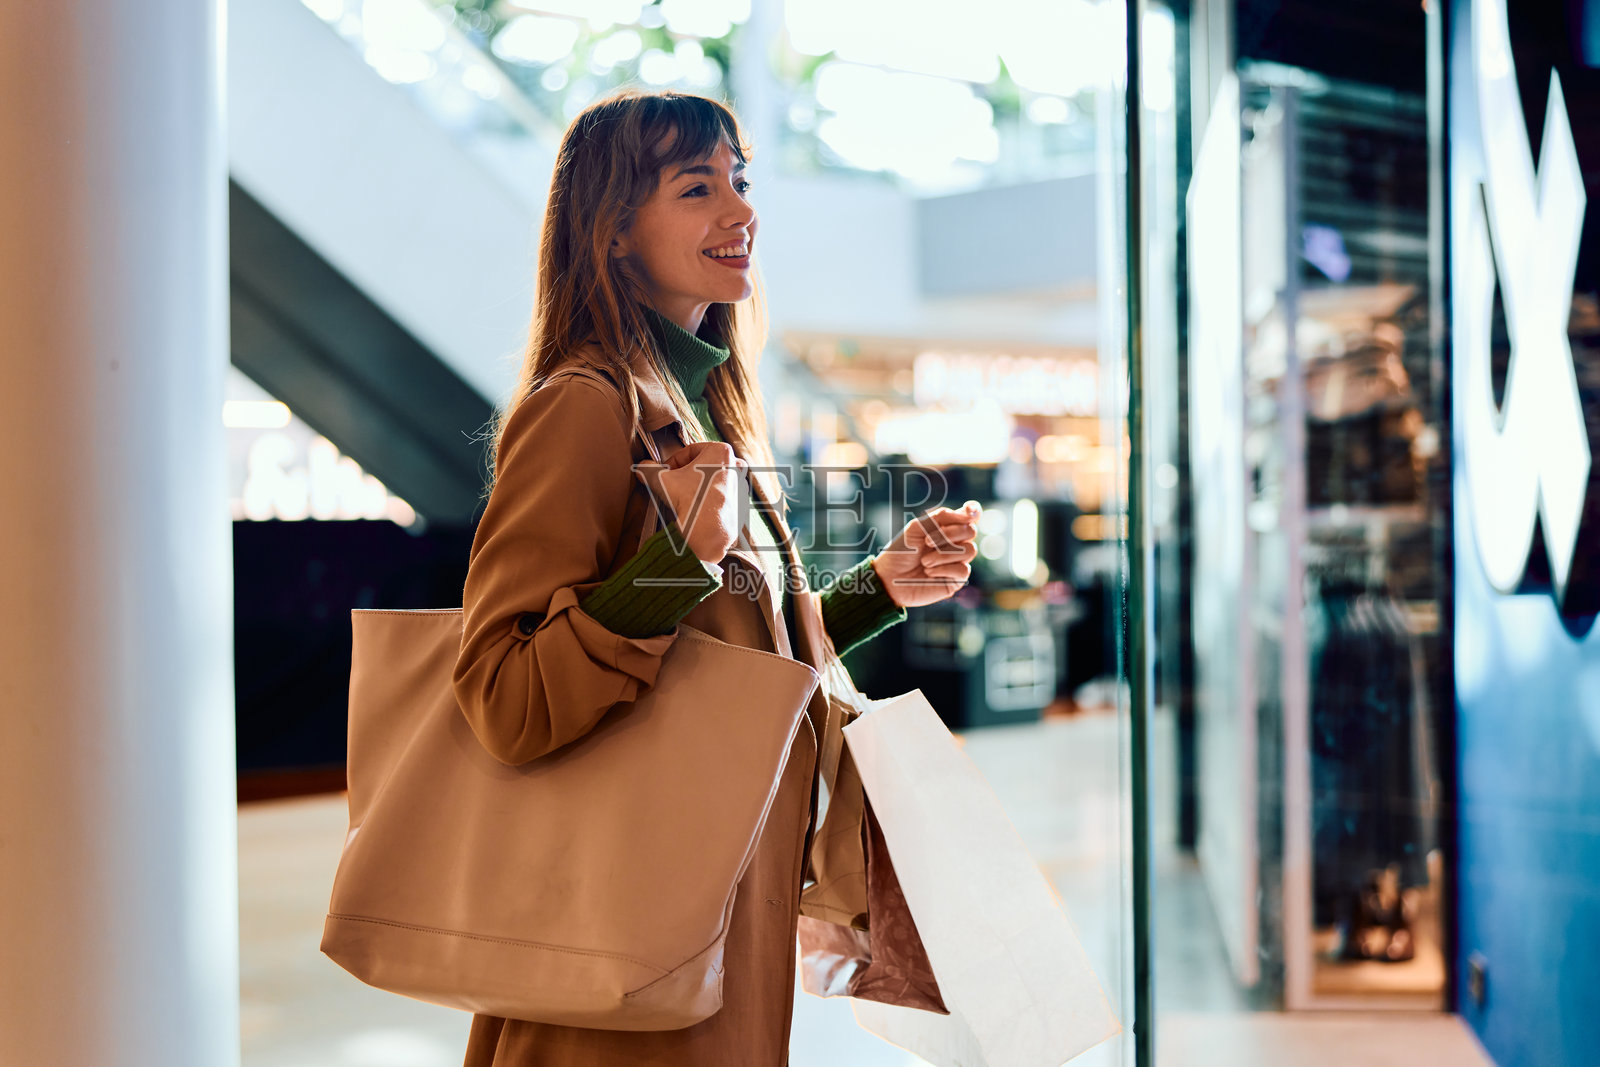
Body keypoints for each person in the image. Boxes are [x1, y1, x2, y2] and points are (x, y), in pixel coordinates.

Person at [451, 87, 982, 1066]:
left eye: (739, 181)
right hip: (630, 930)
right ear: (613, 230)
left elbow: (730, 660)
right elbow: (504, 697)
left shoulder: (701, 413)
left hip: (713, 902)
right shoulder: (582, 407)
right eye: (697, 188)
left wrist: (881, 587)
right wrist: (678, 564)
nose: (741, 211)